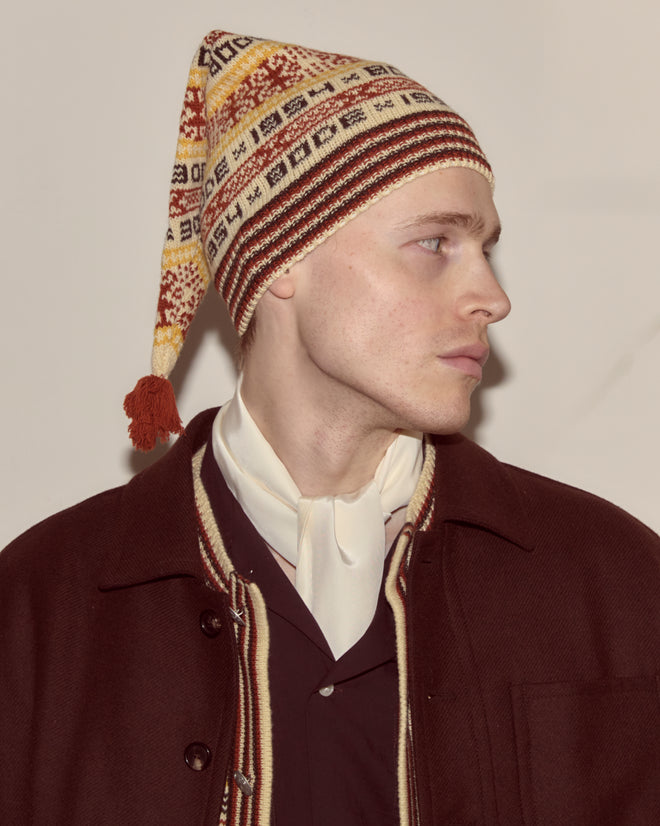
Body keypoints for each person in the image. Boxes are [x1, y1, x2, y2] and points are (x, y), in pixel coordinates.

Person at [1, 28, 659, 826]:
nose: (492, 295)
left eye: (485, 248)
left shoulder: (616, 580)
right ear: (279, 256)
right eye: (434, 244)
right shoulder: (41, 605)